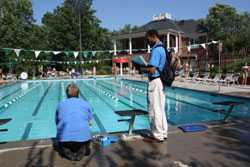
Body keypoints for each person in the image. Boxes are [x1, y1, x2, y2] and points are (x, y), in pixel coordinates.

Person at [55, 83, 93, 161]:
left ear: (66, 94)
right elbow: (90, 122)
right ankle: (82, 149)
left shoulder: (60, 104)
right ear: (78, 93)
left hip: (65, 139)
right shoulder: (86, 104)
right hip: (83, 139)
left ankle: (67, 151)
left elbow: (57, 122)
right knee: (86, 144)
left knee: (60, 145)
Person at [145, 29, 168, 142]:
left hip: (155, 81)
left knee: (154, 108)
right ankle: (163, 132)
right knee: (161, 108)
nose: (147, 41)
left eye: (148, 39)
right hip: (161, 82)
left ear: (153, 36)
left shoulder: (156, 50)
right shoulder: (163, 48)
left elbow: (152, 70)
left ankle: (157, 134)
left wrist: (144, 67)